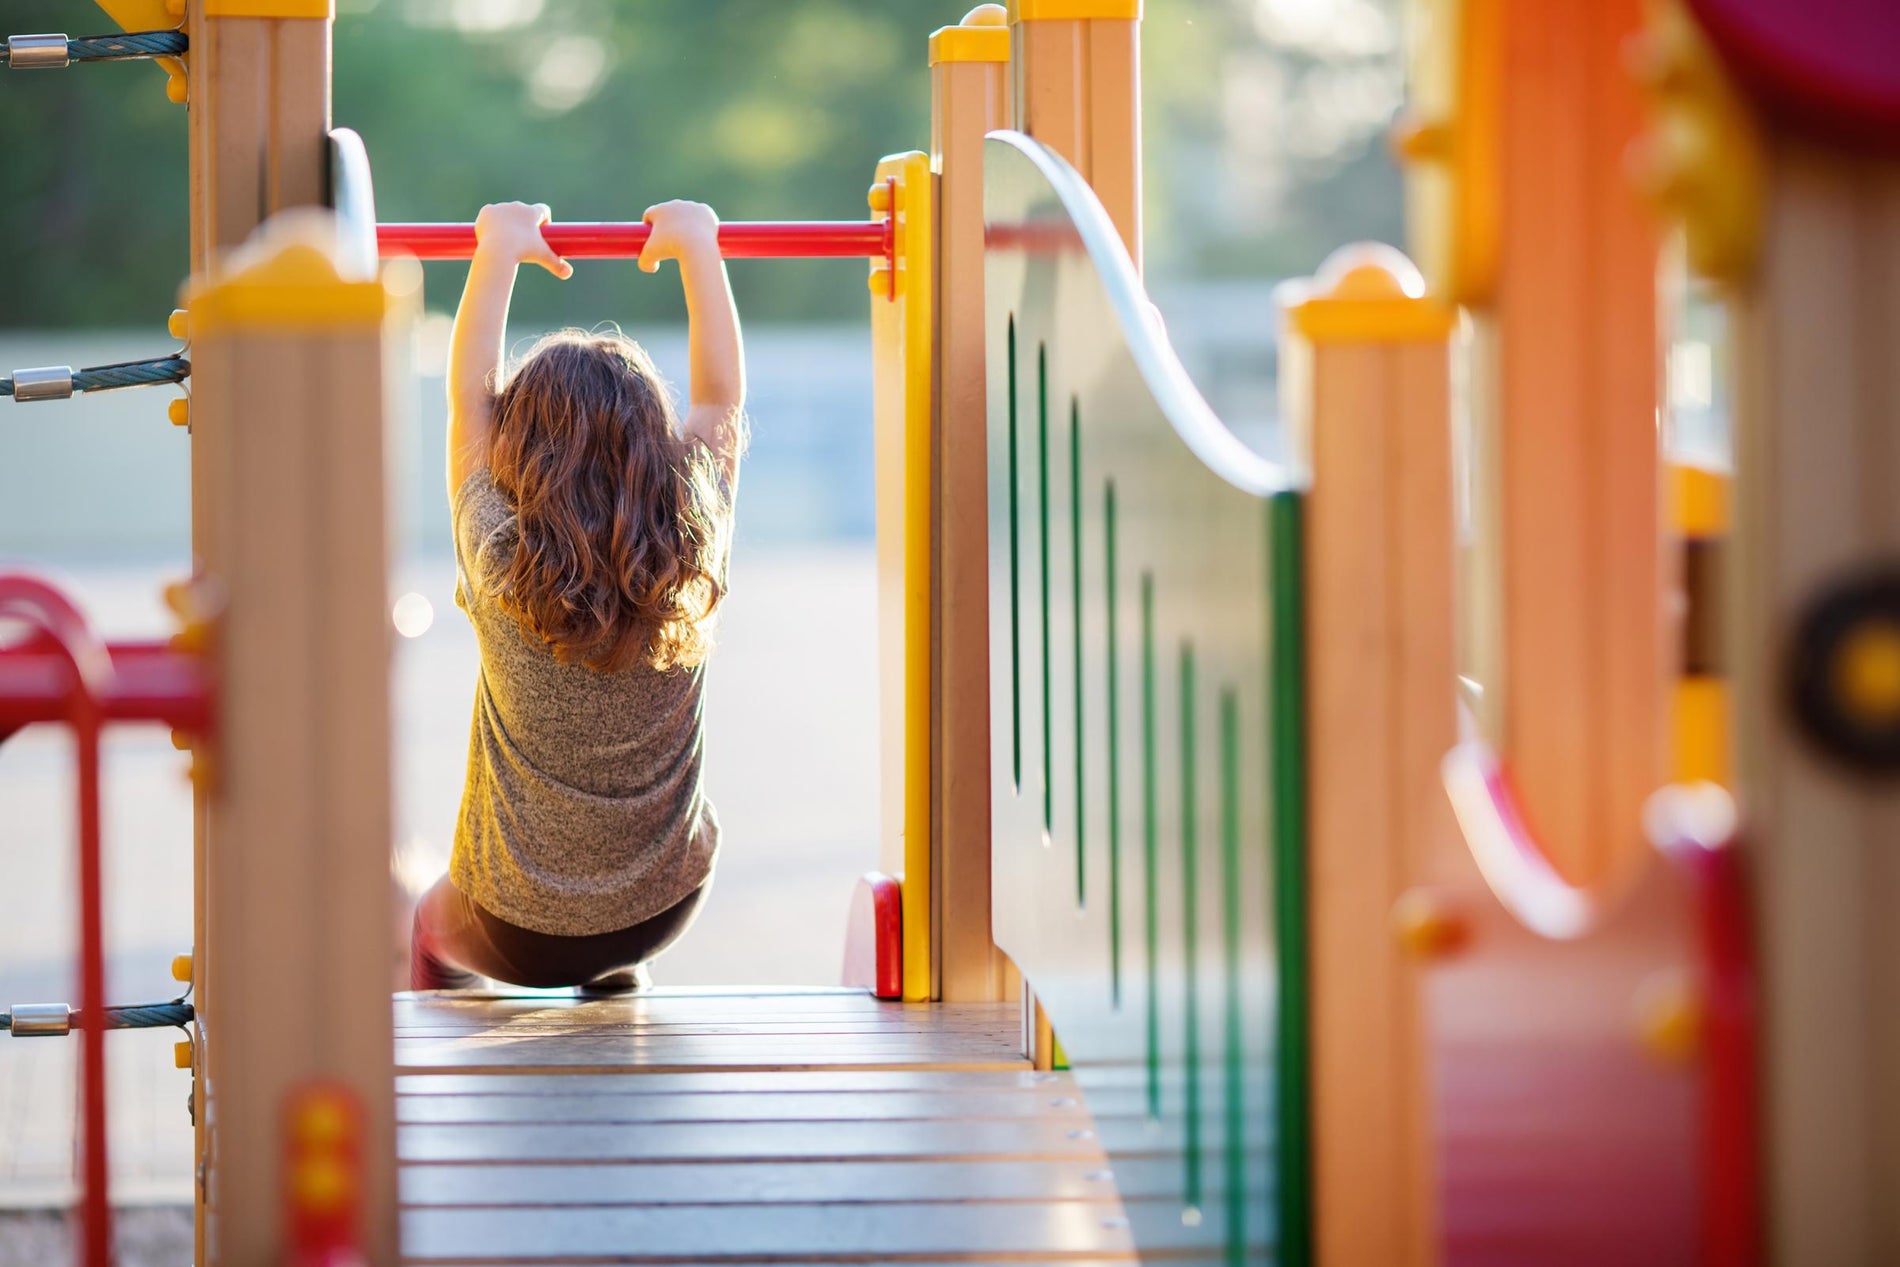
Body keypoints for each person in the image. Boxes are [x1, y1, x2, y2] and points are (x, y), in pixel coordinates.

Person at [408, 199, 744, 992]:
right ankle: (615, 972)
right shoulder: (692, 538)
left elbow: (469, 397)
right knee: (610, 924)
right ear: (655, 446)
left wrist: (496, 250)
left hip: (514, 929)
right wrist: (701, 247)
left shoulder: (498, 553)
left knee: (424, 922)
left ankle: (450, 1052)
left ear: (516, 450)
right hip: (667, 905)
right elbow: (721, 401)